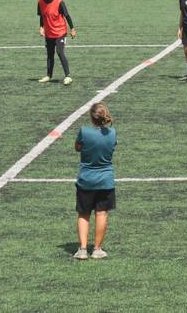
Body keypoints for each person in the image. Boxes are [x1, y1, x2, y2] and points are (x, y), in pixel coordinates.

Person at [73, 102, 117, 260]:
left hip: (86, 179)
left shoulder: (84, 131)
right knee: (102, 213)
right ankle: (97, 249)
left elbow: (77, 147)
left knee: (84, 214)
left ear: (92, 118)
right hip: (105, 180)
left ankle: (83, 249)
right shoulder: (112, 133)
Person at [37, 0, 76, 85]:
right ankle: (48, 76)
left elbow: (67, 16)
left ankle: (68, 76)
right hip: (49, 33)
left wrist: (72, 29)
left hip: (60, 32)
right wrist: (41, 27)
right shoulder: (40, 2)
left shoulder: (59, 2)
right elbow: (42, 15)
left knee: (59, 51)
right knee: (50, 54)